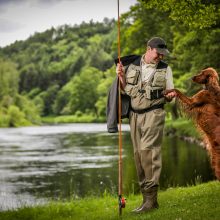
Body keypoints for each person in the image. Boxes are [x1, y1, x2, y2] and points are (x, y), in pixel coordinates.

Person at [116, 37, 176, 213]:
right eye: (158, 53)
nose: (161, 57)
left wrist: (170, 97)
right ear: (149, 49)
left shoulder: (166, 69)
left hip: (154, 113)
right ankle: (147, 200)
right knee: (138, 156)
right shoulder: (131, 65)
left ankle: (151, 200)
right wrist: (120, 76)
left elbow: (170, 93)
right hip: (134, 117)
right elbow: (123, 88)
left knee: (149, 153)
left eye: (163, 54)